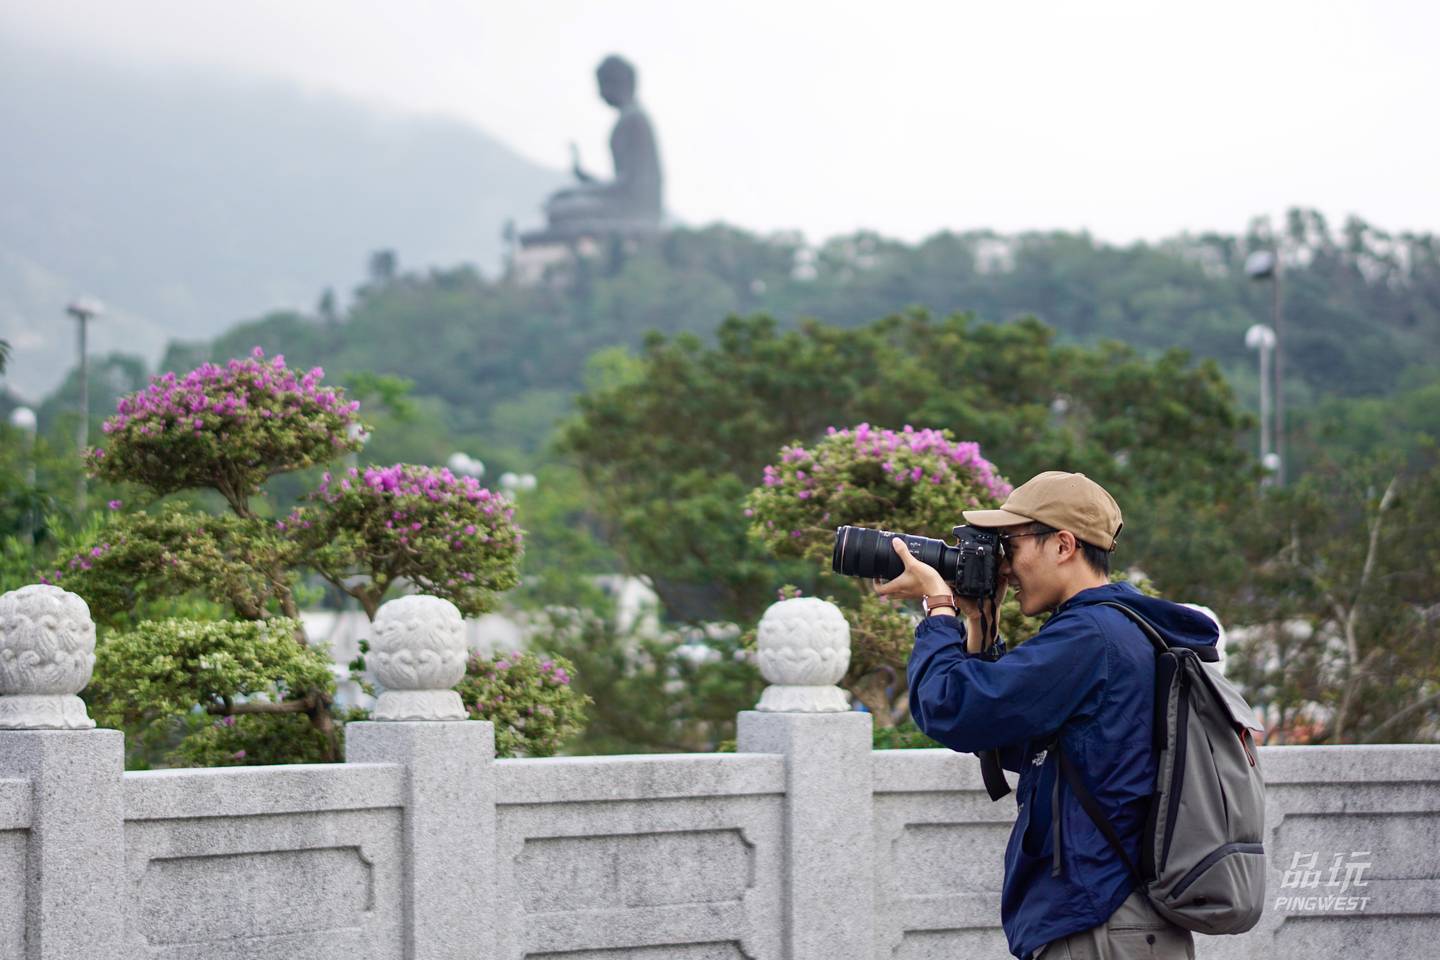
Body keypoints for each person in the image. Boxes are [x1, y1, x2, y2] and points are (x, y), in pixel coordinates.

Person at [876, 471, 1219, 960]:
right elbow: (1012, 739)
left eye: (1011, 546)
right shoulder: (1115, 629)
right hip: (1112, 919)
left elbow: (949, 708)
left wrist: (939, 607)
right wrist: (977, 622)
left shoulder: (1089, 637)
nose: (1005, 569)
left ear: (1062, 545)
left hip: (1100, 920)